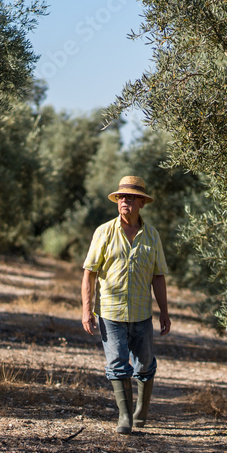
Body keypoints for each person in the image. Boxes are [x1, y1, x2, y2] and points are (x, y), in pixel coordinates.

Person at [82, 175, 171, 434]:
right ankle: (124, 417)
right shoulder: (104, 232)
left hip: (142, 313)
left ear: (141, 203)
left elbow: (158, 276)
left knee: (144, 365)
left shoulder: (152, 236)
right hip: (110, 312)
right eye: (121, 197)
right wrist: (86, 310)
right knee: (117, 364)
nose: (125, 201)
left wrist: (164, 312)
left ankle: (140, 412)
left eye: (131, 197)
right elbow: (89, 273)